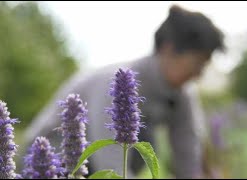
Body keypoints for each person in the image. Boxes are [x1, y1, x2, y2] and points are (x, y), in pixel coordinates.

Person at [23, 5, 225, 179]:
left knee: (143, 141)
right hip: (50, 158)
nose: (198, 75)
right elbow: (111, 166)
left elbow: (188, 157)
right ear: (168, 49)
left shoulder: (182, 93)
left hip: (92, 163)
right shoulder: (113, 83)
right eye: (197, 64)